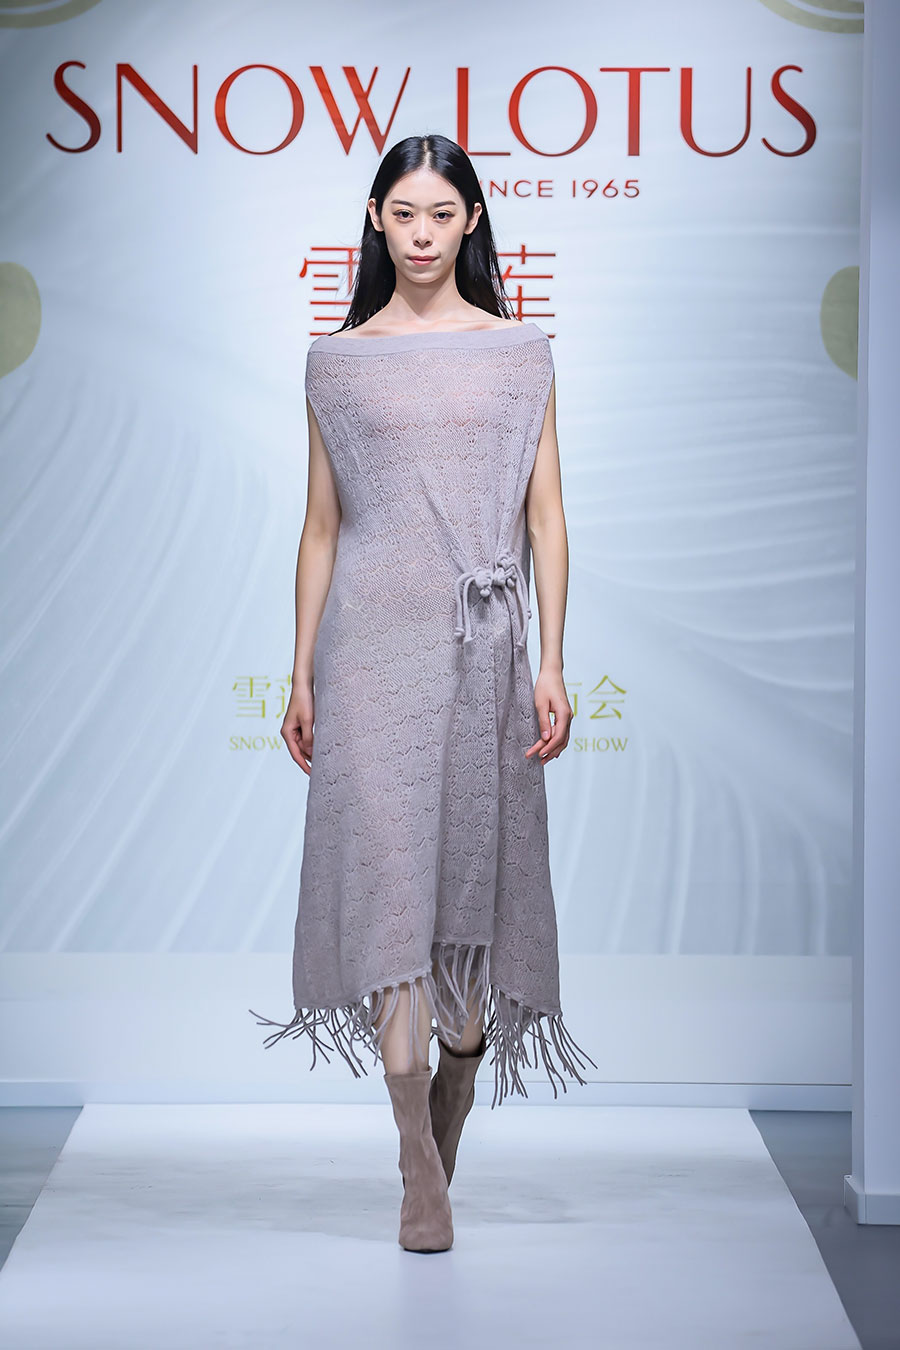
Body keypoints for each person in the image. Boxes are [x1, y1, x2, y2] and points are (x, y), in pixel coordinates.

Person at [249, 132, 596, 1254]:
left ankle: (451, 1093)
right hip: (368, 653)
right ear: (375, 220)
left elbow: (546, 515)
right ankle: (415, 1156)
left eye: (442, 214)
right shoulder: (337, 362)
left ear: (473, 222)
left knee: (468, 911)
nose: (423, 235)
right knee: (390, 889)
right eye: (404, 214)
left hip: (482, 653)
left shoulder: (521, 352)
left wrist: (550, 659)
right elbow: (320, 526)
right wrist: (301, 668)